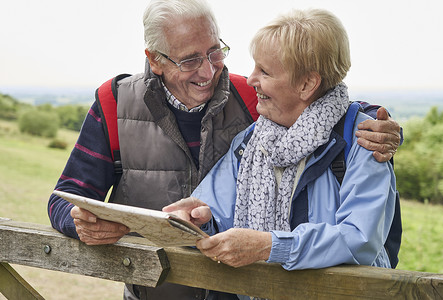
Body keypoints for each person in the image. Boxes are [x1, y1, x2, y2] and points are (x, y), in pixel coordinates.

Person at [47, 0, 401, 299]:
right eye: (189, 60)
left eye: (215, 51)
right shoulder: (116, 103)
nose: (210, 70)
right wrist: (194, 214)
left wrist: (383, 127)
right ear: (155, 59)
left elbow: (326, 107)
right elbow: (66, 197)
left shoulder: (262, 104)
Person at [163, 7, 397, 279]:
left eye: (264, 71)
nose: (251, 79)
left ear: (307, 84)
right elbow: (215, 211)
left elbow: (359, 238)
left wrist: (271, 247)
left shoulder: (364, 139)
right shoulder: (250, 142)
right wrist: (199, 218)